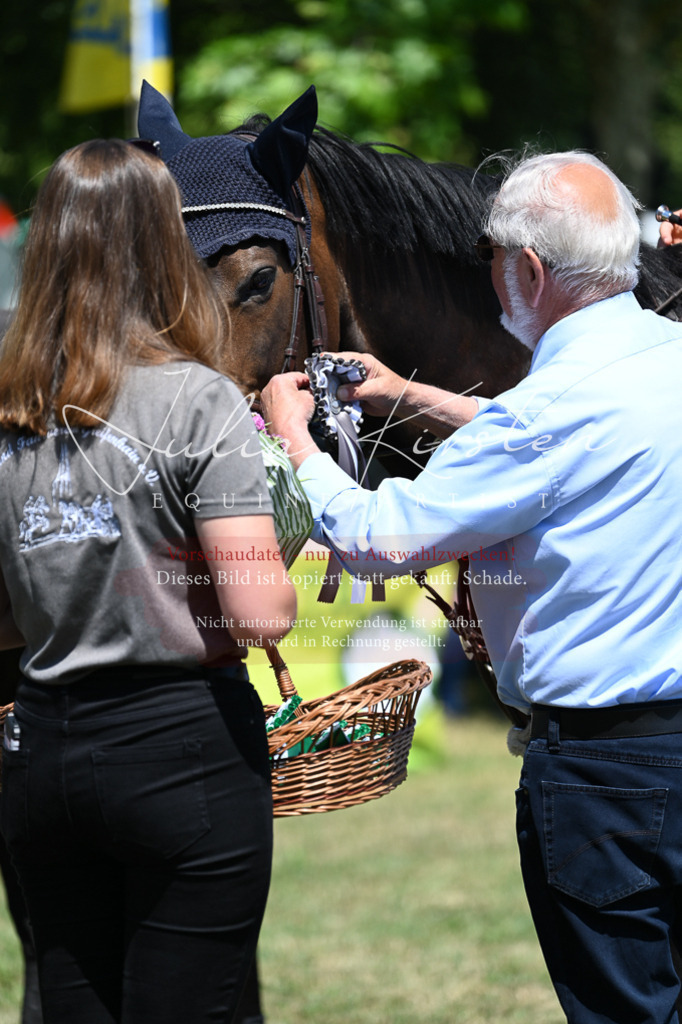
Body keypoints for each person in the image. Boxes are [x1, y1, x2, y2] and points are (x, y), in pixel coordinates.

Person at [262, 150, 682, 1023]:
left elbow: (377, 541)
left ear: (528, 268)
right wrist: (408, 396)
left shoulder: (543, 416)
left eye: (488, 254)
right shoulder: (657, 363)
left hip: (610, 781)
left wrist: (294, 440)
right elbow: (577, 442)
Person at [0, 138, 296, 1024]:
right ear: (166, 246)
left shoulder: (11, 406)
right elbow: (260, 613)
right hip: (181, 751)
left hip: (40, 756)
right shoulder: (199, 400)